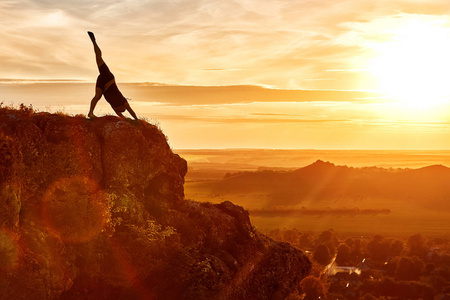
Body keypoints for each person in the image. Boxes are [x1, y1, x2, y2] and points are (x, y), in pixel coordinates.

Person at [87, 31, 138, 120]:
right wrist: (137, 120)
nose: (123, 110)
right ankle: (94, 41)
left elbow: (121, 116)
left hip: (102, 84)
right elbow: (130, 110)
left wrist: (126, 119)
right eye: (123, 109)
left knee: (97, 96)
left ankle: (90, 113)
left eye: (122, 110)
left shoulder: (115, 108)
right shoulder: (123, 101)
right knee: (99, 59)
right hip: (108, 78)